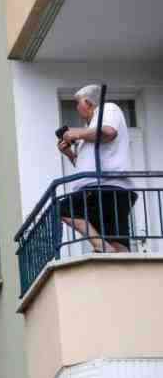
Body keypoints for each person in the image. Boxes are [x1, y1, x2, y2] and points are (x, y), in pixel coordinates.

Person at [56, 84, 138, 252]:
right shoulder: (89, 130)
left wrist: (76, 133)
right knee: (116, 241)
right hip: (105, 189)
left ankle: (102, 248)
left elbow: (108, 132)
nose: (77, 109)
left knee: (64, 209)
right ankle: (120, 267)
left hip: (106, 188)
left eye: (77, 104)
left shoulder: (107, 109)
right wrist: (70, 153)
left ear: (87, 102)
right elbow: (85, 165)